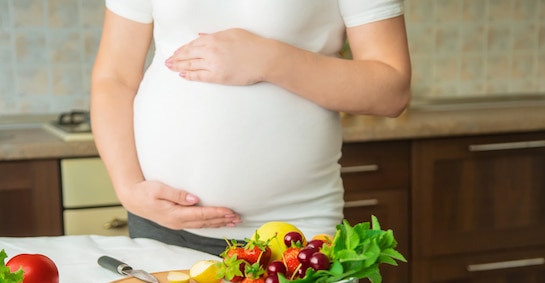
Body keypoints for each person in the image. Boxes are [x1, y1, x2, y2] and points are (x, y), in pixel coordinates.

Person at [90, 1, 411, 256]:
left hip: (294, 232)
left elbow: (392, 90)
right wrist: (128, 188)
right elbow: (114, 77)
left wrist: (269, 59)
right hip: (161, 222)